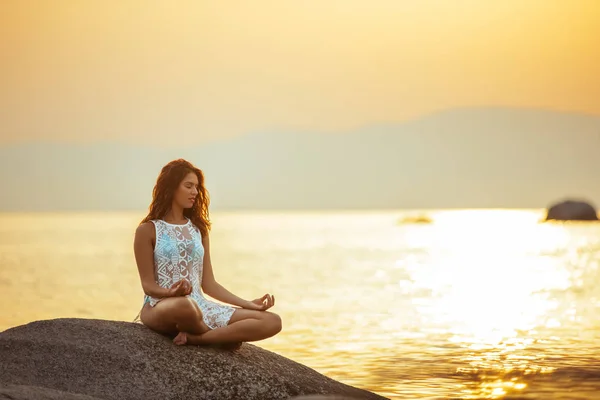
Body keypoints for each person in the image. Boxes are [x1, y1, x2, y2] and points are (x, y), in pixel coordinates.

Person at [133, 159, 282, 346]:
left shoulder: (198, 230)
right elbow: (148, 285)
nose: (195, 192)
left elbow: (209, 284)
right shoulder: (147, 230)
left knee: (272, 320)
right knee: (185, 306)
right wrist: (170, 292)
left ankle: (198, 338)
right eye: (188, 186)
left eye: (196, 187)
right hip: (160, 306)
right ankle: (222, 337)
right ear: (171, 187)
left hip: (199, 306)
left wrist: (248, 304)